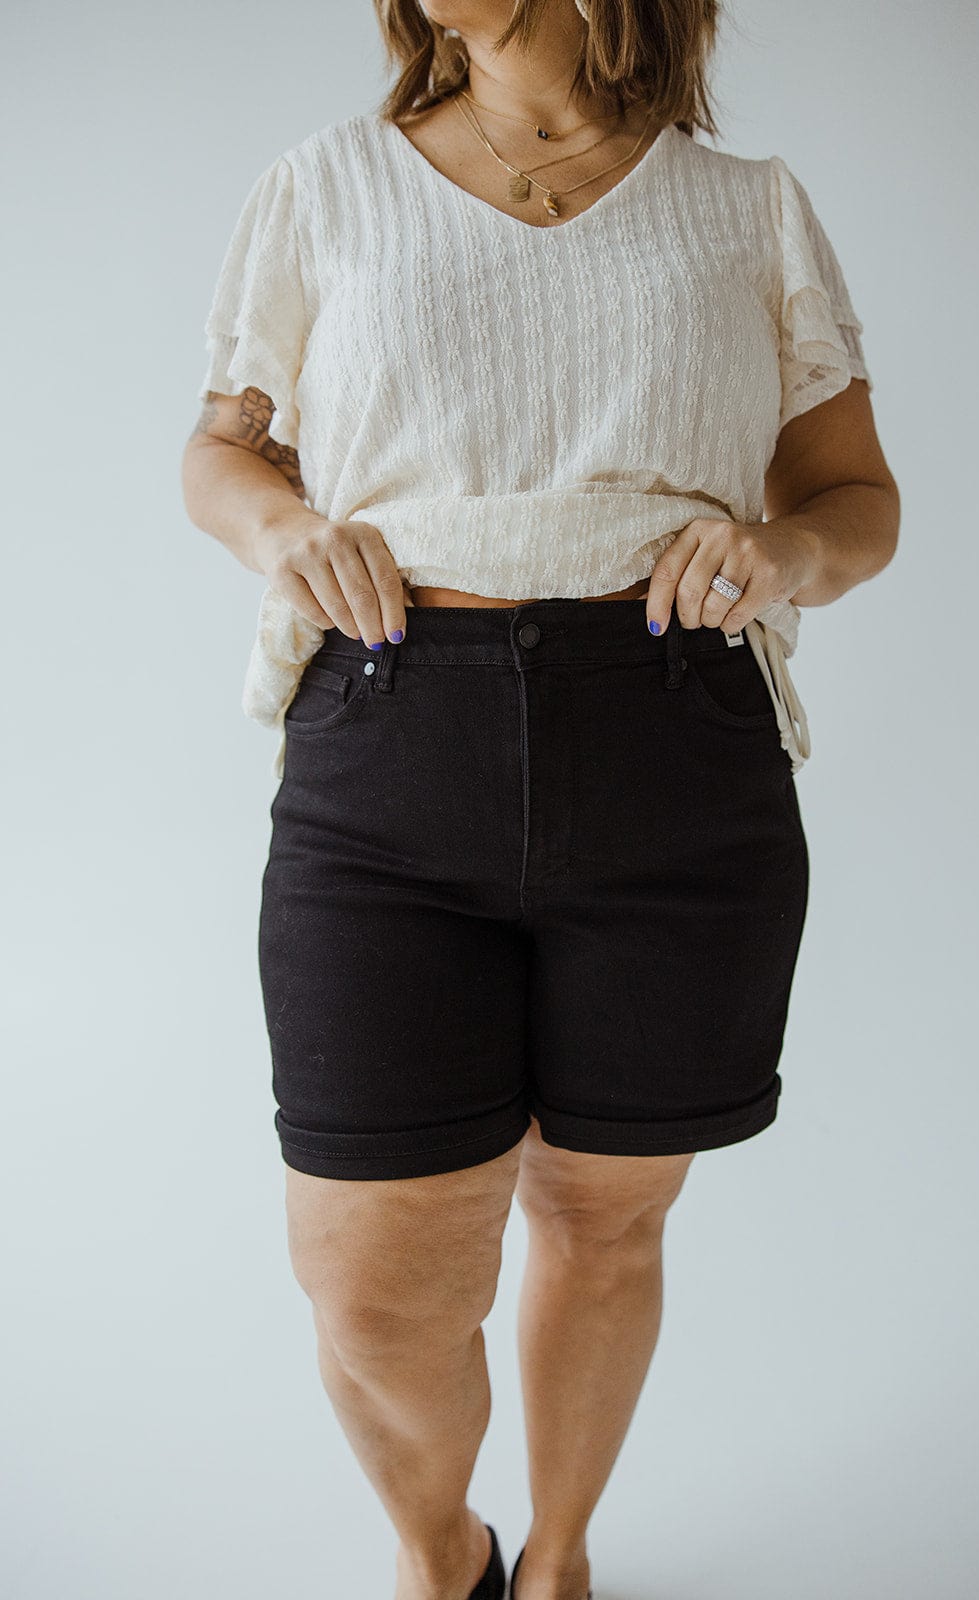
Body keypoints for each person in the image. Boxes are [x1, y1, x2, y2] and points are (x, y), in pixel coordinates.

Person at [181, 3, 899, 1596]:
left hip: (672, 734)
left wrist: (786, 555)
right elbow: (219, 454)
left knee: (605, 1219)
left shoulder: (746, 205)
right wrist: (281, 531)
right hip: (387, 729)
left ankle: (564, 1560)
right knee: (370, 1281)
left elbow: (857, 501)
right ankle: (447, 1553)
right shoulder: (326, 188)